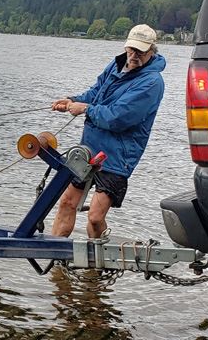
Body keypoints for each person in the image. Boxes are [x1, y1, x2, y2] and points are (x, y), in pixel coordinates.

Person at [49, 24, 165, 239]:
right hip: (89, 148)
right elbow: (96, 92)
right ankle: (54, 262)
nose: (134, 55)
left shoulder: (152, 82)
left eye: (140, 51)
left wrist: (85, 109)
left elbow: (119, 118)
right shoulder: (116, 64)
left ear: (151, 51)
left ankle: (99, 263)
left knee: (94, 216)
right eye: (131, 49)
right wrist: (73, 101)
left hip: (118, 156)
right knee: (67, 202)